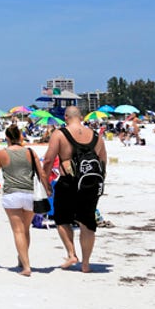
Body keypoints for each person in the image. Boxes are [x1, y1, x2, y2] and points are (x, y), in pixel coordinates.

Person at [42, 106, 107, 273]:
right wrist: (99, 183)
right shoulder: (96, 136)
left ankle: (71, 254)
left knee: (62, 218)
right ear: (82, 117)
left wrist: (46, 181)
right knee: (87, 222)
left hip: (68, 182)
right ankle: (86, 263)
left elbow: (49, 160)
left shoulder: (60, 134)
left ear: (66, 117)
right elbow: (103, 162)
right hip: (90, 183)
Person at [0, 125, 48, 276]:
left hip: (12, 195)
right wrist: (48, 189)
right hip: (29, 195)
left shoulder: (1, 153)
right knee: (25, 229)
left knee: (18, 231)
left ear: (6, 138)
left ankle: (26, 266)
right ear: (20, 136)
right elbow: (42, 174)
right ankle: (22, 258)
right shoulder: (30, 152)